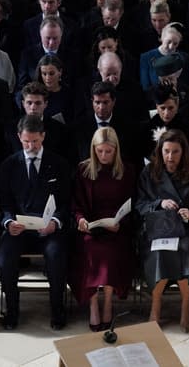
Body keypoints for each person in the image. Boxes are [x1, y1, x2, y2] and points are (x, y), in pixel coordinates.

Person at [0, 115, 71, 330]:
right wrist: (8, 221)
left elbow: (66, 202)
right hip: (19, 229)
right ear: (19, 137)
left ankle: (57, 309)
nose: (30, 146)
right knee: (4, 258)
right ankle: (12, 309)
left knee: (57, 256)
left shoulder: (59, 164)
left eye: (35, 142)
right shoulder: (8, 165)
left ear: (43, 137)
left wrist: (55, 222)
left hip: (49, 229)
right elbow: (4, 203)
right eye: (26, 141)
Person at [136, 129, 189, 332]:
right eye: (166, 151)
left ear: (183, 152)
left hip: (186, 230)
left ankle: (186, 305)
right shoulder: (149, 172)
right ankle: (155, 304)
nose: (170, 157)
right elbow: (140, 204)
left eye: (175, 152)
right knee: (158, 252)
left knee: (187, 249)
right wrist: (159, 203)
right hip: (159, 229)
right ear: (160, 151)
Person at [70, 127, 136, 332]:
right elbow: (76, 204)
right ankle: (93, 306)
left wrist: (121, 223)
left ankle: (107, 302)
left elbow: (134, 205)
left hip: (117, 228)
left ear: (116, 150)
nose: (104, 156)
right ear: (93, 149)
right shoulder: (83, 170)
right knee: (90, 250)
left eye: (108, 151)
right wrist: (80, 220)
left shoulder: (128, 170)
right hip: (91, 228)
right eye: (100, 151)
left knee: (112, 252)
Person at [139, 23, 185, 91]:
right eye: (168, 42)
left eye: (175, 44)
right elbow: (145, 87)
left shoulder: (182, 58)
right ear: (162, 38)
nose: (171, 47)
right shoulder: (146, 57)